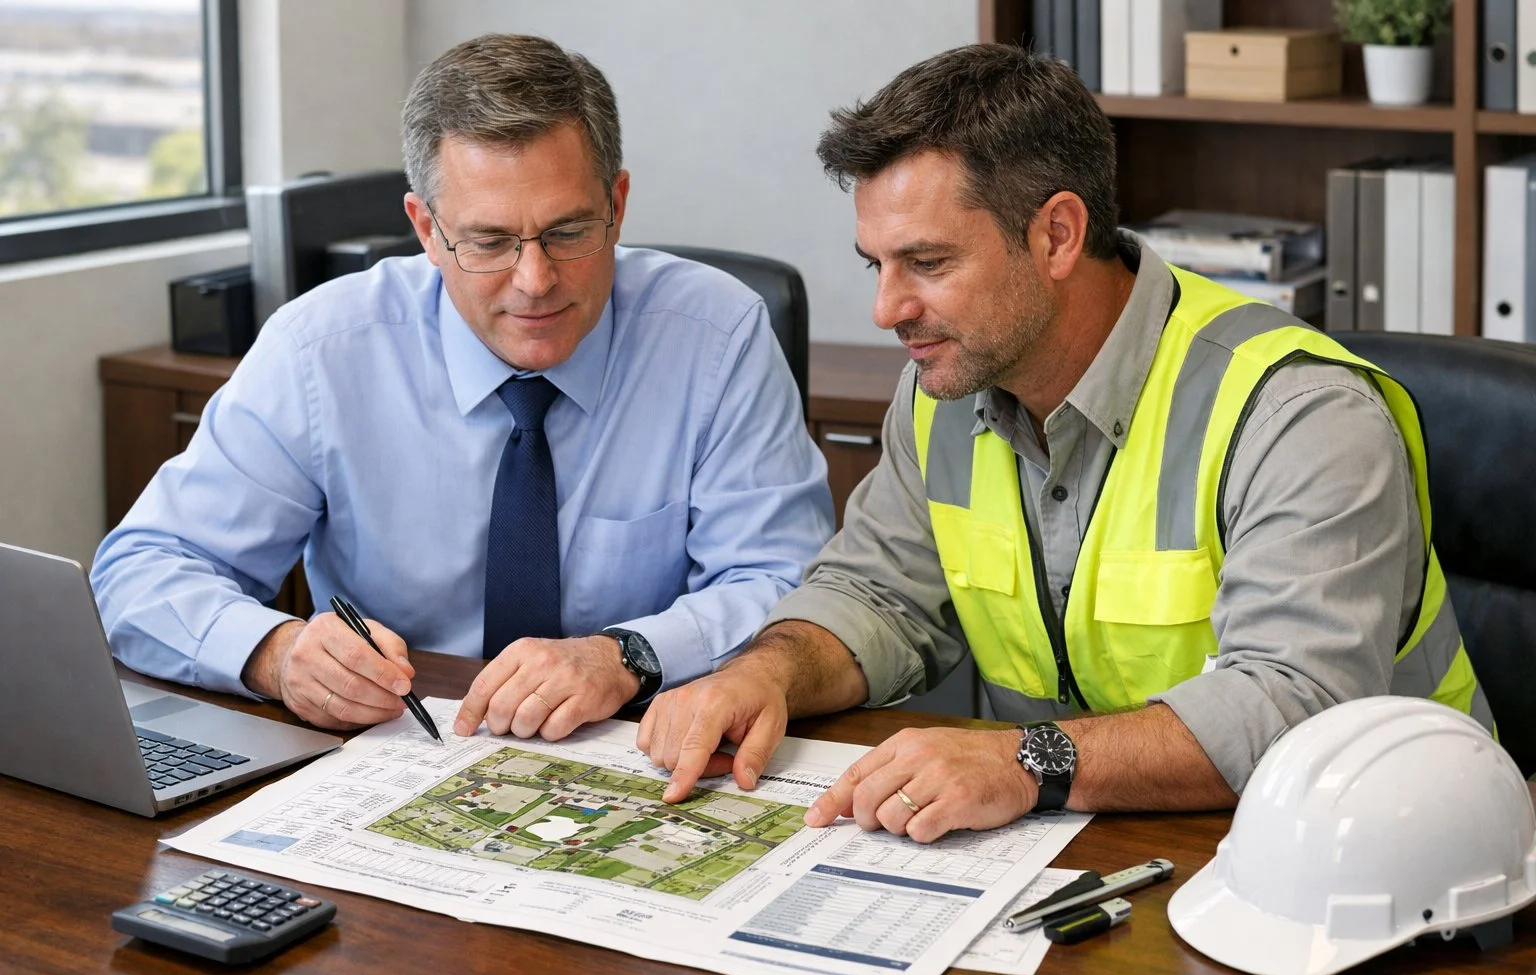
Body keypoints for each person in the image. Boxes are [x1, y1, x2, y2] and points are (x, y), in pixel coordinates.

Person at [636, 43, 1494, 841]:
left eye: (927, 264)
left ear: (1056, 235)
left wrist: (1024, 761)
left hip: (1384, 858)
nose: (887, 308)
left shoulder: (1296, 414)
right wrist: (769, 671)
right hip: (1100, 841)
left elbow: (1292, 705)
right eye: (877, 264)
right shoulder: (943, 391)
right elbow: (877, 593)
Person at [91, 34, 832, 740]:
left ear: (618, 203)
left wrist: (628, 655)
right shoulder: (321, 351)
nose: (534, 280)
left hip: (646, 742)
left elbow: (786, 583)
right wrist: (276, 655)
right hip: (402, 748)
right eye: (489, 241)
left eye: (568, 232)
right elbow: (141, 571)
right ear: (426, 229)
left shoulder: (716, 335)